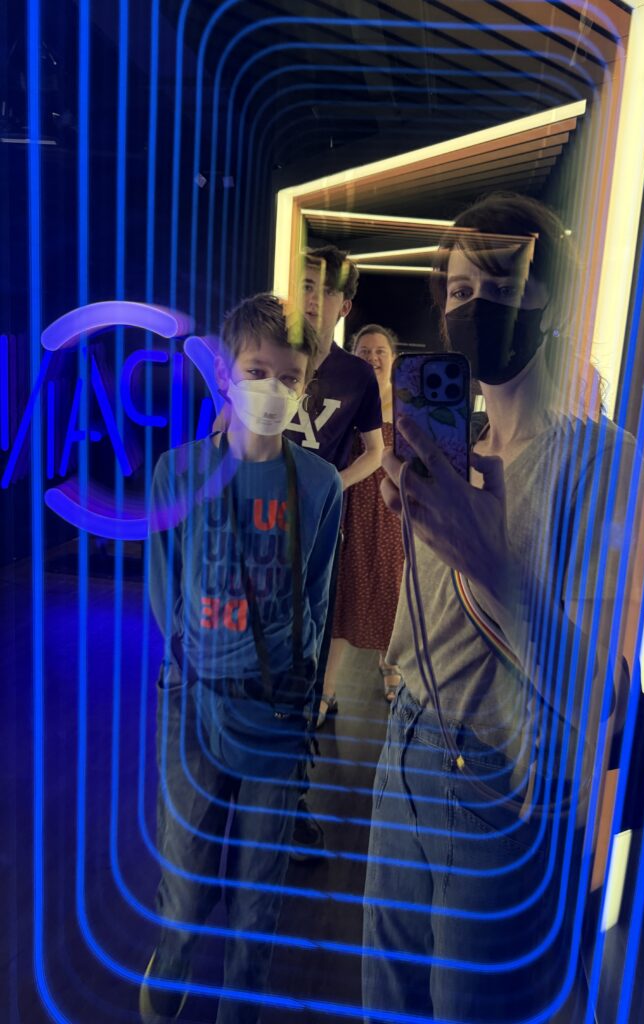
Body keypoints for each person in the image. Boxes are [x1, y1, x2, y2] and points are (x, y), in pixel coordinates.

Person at [361, 193, 644, 1023]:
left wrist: (486, 558)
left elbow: (597, 691)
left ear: (548, 300)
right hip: (404, 747)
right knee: (386, 1001)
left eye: (502, 284)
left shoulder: (602, 462)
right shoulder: (447, 449)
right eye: (459, 290)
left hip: (504, 781)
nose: (476, 305)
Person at [141, 294, 342, 1024]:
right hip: (194, 699)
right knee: (186, 868)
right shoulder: (178, 471)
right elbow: (163, 582)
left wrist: (306, 685)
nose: (273, 388)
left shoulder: (319, 484)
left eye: (290, 377)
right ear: (225, 373)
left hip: (278, 708)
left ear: (306, 386)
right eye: (258, 370)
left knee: (261, 888)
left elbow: (318, 594)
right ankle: (173, 957)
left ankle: (242, 1002)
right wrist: (192, 658)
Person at [214, 246, 384, 856]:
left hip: (308, 527)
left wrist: (330, 486)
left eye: (326, 287)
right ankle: (223, 787)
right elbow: (223, 425)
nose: (312, 296)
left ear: (345, 303)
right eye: (304, 283)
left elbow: (375, 450)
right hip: (246, 519)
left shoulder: (357, 375)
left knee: (301, 657)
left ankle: (293, 798)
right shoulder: (267, 350)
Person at [323, 324, 404, 719]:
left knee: (391, 586)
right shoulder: (348, 398)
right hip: (352, 502)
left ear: (393, 358)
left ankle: (390, 661)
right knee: (345, 588)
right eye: (364, 351)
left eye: (380, 351)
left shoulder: (407, 405)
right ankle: (327, 686)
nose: (373, 357)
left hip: (393, 508)